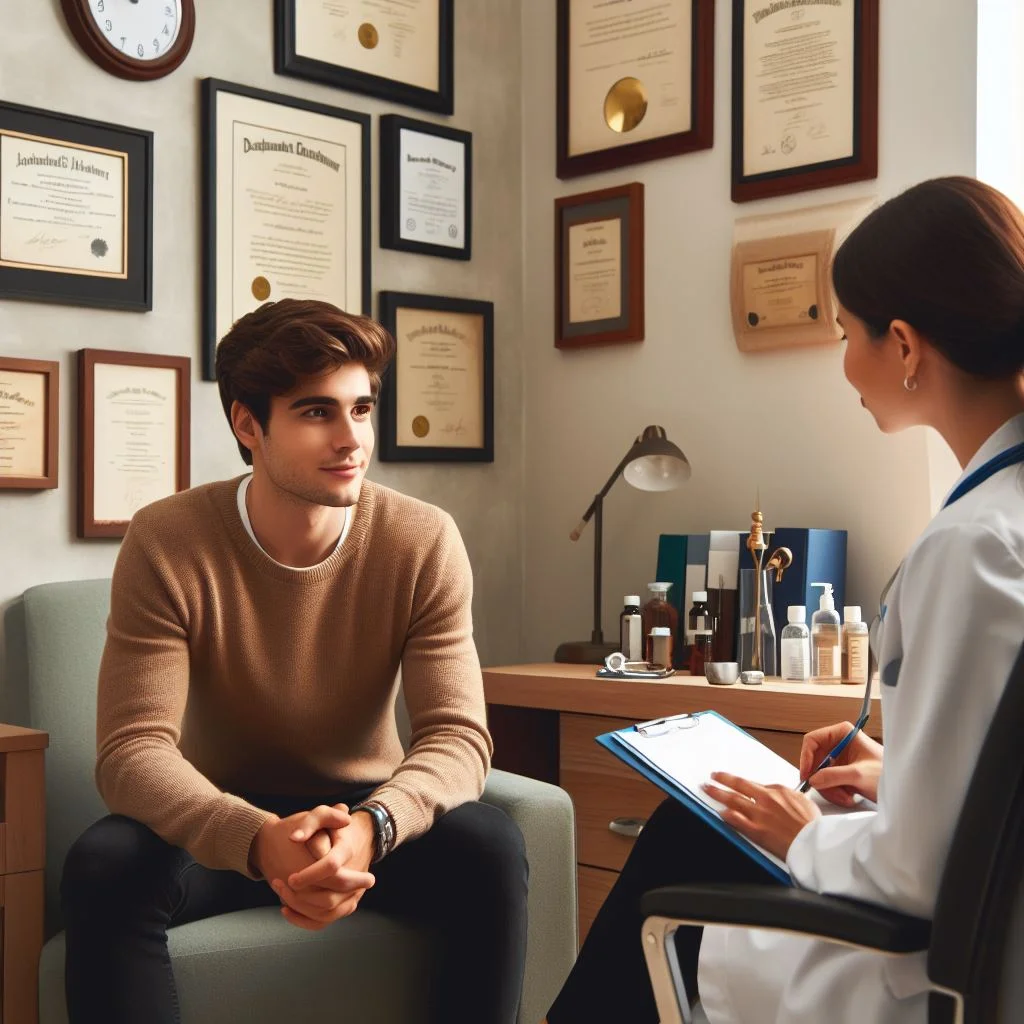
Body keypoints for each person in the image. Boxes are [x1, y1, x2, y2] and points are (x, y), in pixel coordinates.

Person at [545, 176, 1024, 1024]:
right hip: (975, 913)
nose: (846, 364)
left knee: (687, 837)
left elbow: (920, 873)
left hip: (927, 966)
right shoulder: (999, 518)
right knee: (701, 822)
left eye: (846, 334)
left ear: (905, 347)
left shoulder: (975, 546)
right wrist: (895, 775)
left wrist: (800, 829)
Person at [60, 299, 529, 1024]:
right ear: (249, 425)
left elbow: (457, 738)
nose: (352, 440)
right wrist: (256, 839)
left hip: (364, 819)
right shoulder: (169, 539)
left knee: (492, 845)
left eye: (362, 409)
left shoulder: (422, 540)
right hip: (218, 820)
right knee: (105, 865)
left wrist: (374, 827)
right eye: (317, 413)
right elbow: (131, 751)